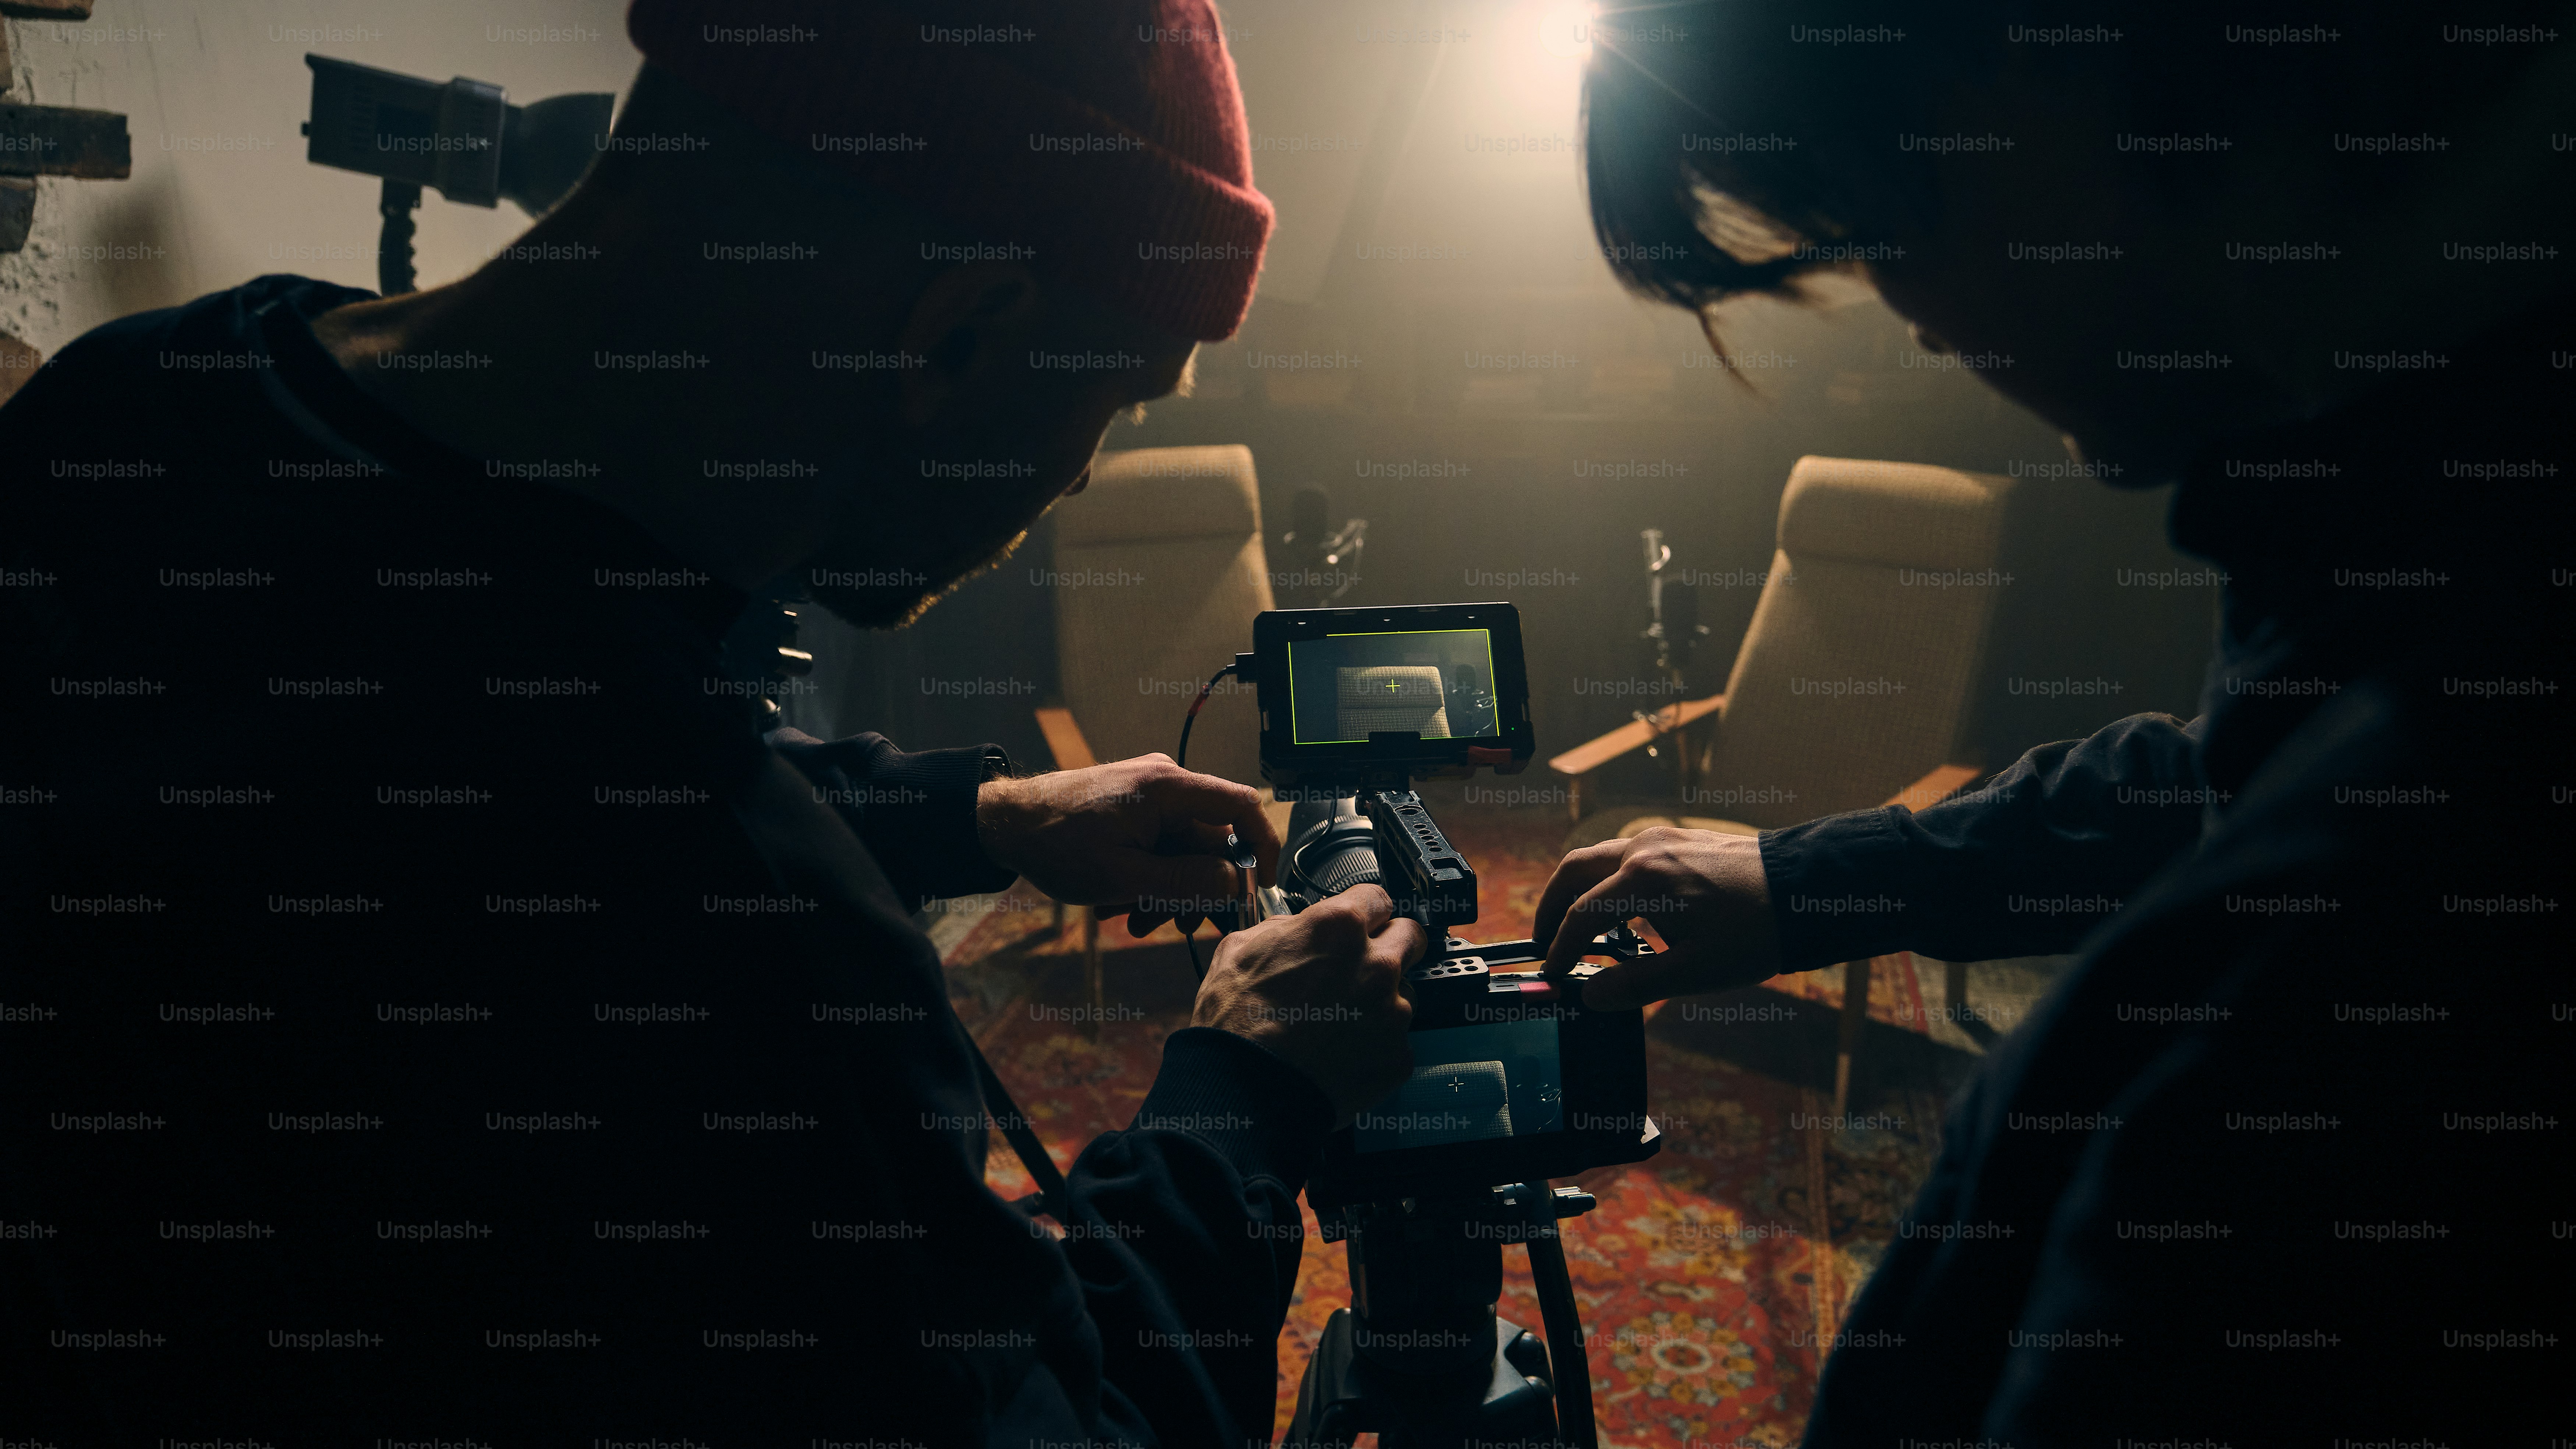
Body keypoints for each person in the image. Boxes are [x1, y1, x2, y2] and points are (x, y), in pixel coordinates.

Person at [0, 3, 1421, 1444]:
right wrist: (1238, 1094)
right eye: (1114, 404)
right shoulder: (768, 975)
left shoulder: (131, 405)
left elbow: (494, 712)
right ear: (961, 330)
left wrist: (970, 814)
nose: (1076, 482)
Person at [1539, 2, 2574, 1440]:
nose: (1911, 316)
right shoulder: (2405, 474)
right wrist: (1797, 880)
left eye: (1872, 210)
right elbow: (2216, 775)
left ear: (2047, 49)